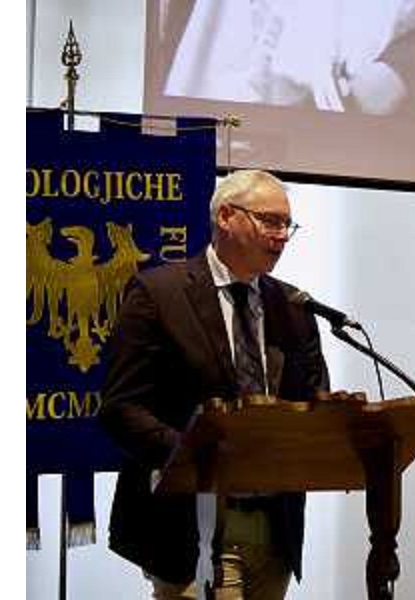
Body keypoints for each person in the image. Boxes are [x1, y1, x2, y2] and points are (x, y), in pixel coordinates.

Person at [100, 170, 329, 599]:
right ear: (226, 216)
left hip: (275, 532)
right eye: (270, 221)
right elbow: (121, 408)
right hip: (187, 527)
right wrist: (195, 456)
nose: (282, 235)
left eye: (287, 225)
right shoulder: (158, 293)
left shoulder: (294, 307)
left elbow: (314, 407)